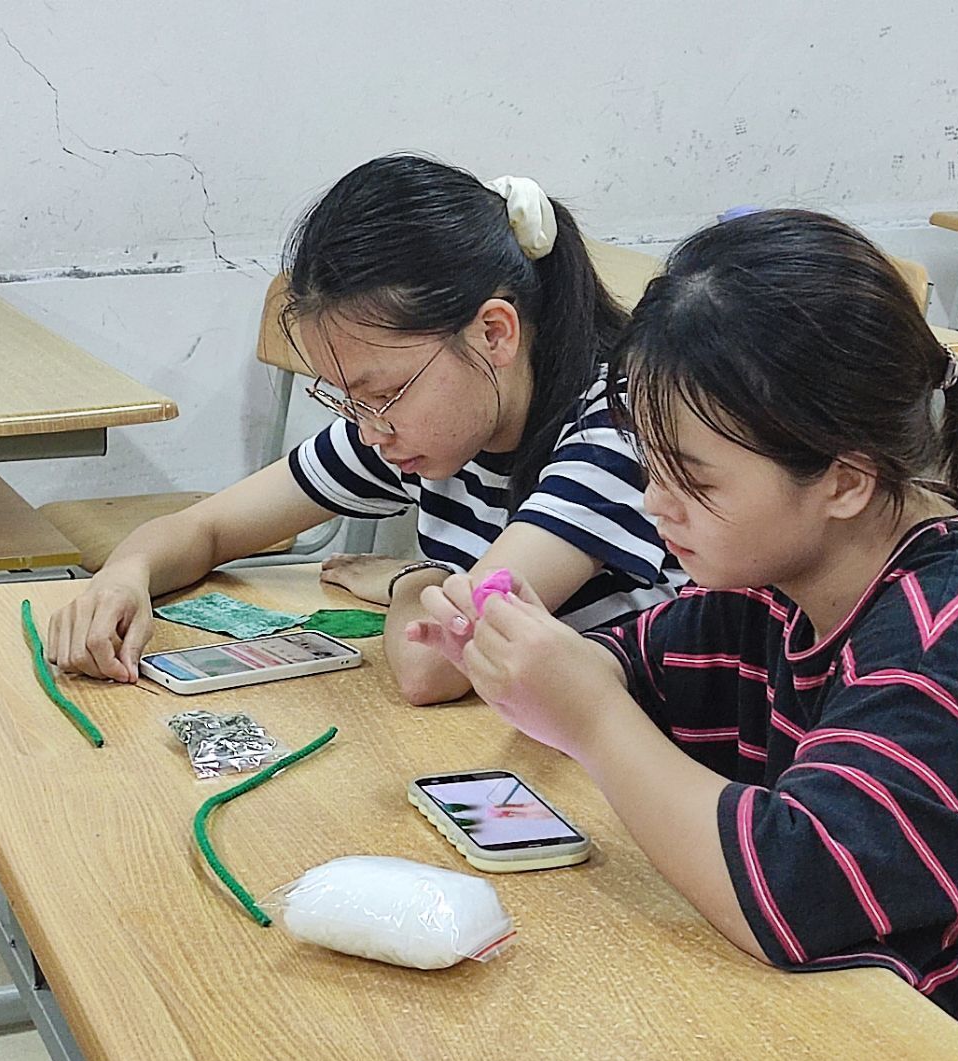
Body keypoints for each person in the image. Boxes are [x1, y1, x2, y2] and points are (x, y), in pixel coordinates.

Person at [409, 210, 958, 1061]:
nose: (655, 502)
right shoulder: (786, 583)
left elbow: (788, 894)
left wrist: (590, 719)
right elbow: (635, 668)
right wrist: (529, 658)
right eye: (651, 463)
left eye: (693, 478)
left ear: (844, 480)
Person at [47, 155, 683, 704]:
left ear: (494, 334)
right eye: (349, 399)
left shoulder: (618, 432)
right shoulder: (421, 427)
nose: (371, 429)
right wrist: (125, 576)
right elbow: (205, 528)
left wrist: (415, 578)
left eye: (383, 393)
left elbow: (433, 667)